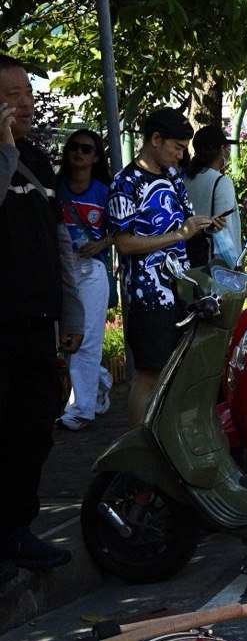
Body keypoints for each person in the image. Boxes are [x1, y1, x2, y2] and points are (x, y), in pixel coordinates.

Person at [0, 56, 83, 572]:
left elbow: (60, 241)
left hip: (36, 322)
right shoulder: (12, 155)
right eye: (11, 93)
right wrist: (5, 148)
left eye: (27, 91)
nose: (25, 101)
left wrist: (72, 313)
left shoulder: (35, 156)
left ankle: (16, 530)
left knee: (32, 427)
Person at [108, 107, 224, 428]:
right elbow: (124, 243)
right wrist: (180, 234)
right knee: (148, 373)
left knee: (177, 369)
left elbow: (184, 224)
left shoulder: (173, 176)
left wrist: (205, 225)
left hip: (181, 291)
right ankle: (141, 452)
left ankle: (169, 441)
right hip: (148, 296)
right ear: (155, 139)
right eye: (176, 147)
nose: (180, 155)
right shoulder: (125, 182)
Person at [56, 129, 114, 430]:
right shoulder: (54, 189)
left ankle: (79, 411)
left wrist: (102, 244)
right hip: (59, 271)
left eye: (87, 149)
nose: (80, 153)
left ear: (96, 157)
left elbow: (122, 229)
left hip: (92, 270)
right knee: (60, 337)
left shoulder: (105, 192)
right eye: (75, 147)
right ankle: (101, 380)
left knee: (86, 339)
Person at [183, 124, 242, 268]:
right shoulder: (221, 181)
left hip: (190, 260)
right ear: (220, 149)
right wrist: (235, 268)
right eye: (227, 148)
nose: (228, 152)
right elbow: (224, 231)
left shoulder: (186, 179)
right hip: (215, 266)